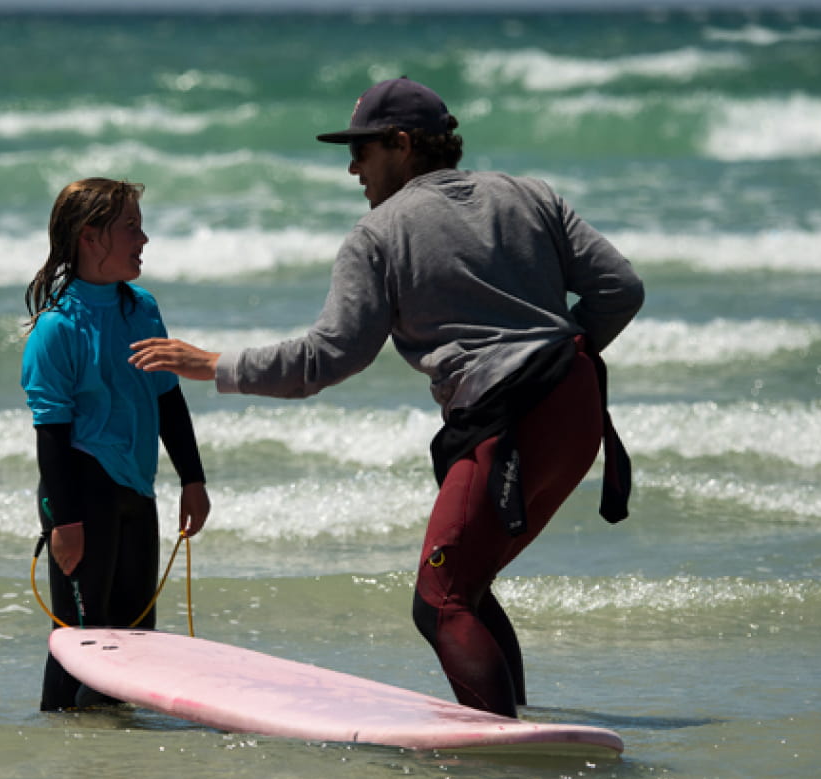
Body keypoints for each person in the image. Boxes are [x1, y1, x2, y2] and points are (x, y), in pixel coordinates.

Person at [129, 78, 642, 718]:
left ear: (401, 145)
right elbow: (621, 288)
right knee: (469, 586)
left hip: (508, 422)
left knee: (441, 602)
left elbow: (332, 355)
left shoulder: (379, 233)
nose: (351, 167)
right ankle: (518, 731)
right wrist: (553, 357)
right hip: (578, 405)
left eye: (362, 152)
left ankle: (504, 750)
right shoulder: (529, 195)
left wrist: (215, 366)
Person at [22, 177, 212, 710]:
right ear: (91, 236)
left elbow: (168, 400)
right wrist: (64, 524)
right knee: (81, 644)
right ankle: (62, 741)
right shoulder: (57, 329)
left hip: (137, 491)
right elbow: (53, 437)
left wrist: (192, 480)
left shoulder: (141, 309)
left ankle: (110, 752)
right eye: (131, 226)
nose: (144, 238)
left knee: (135, 639)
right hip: (81, 495)